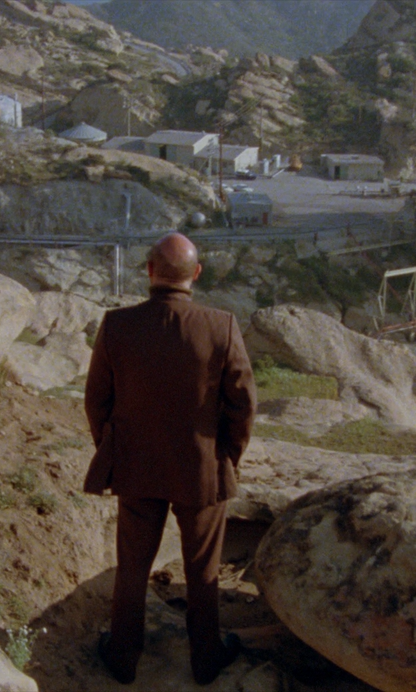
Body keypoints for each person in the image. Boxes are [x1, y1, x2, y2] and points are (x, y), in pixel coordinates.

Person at [83, 232, 257, 686]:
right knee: (203, 570)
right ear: (196, 274)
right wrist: (227, 457)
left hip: (136, 468)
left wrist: (113, 448)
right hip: (202, 470)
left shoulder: (117, 325)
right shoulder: (220, 326)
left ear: (149, 271)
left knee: (132, 568)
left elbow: (97, 400)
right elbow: (243, 405)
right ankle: (206, 659)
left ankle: (123, 658)